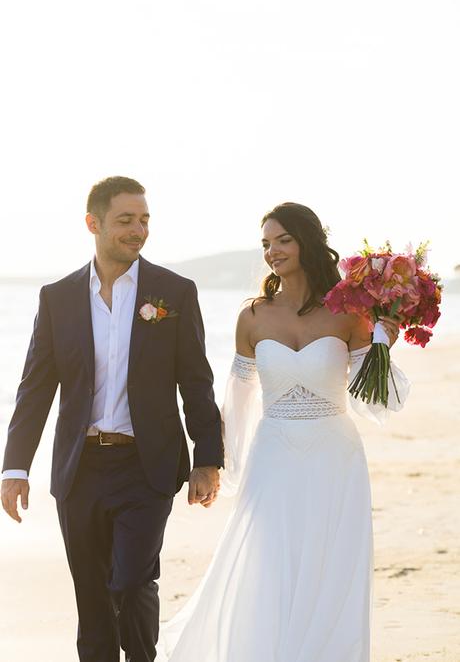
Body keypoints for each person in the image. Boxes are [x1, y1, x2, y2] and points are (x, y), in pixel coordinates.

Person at [157, 202, 409, 662]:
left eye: (283, 240)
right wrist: (217, 465)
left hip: (335, 457)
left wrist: (381, 344)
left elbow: (373, 402)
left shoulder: (351, 314)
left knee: (330, 572)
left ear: (307, 241)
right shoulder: (252, 317)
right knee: (268, 565)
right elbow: (238, 398)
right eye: (266, 244)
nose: (272, 252)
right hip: (272, 457)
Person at [1, 176, 224, 662]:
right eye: (126, 220)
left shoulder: (174, 292)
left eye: (144, 220)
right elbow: (36, 388)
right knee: (93, 598)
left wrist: (208, 457)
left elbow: (196, 380)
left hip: (147, 466)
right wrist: (15, 467)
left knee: (132, 581)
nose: (138, 230)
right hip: (79, 470)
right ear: (93, 223)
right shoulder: (56, 298)